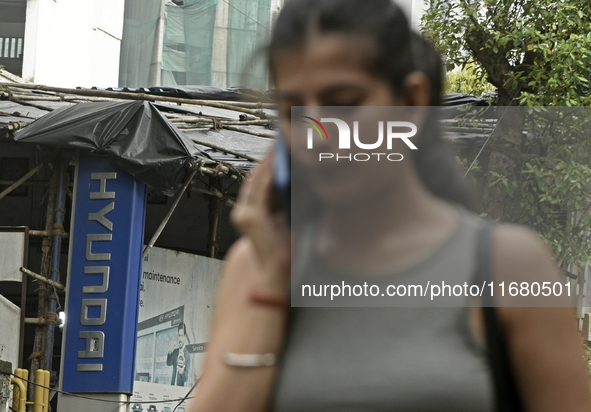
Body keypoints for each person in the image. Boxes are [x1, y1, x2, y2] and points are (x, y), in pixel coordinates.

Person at [189, 0, 591, 411]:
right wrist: (271, 288)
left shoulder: (508, 266)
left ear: (412, 101)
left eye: (343, 101)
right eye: (293, 110)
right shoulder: (254, 266)